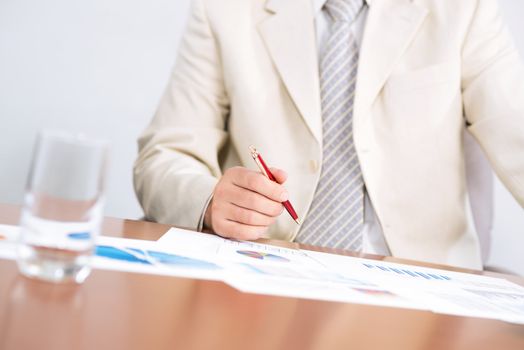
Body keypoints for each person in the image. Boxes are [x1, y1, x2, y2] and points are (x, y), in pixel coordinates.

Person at [134, 0, 524, 270]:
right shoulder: (227, 9)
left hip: (421, 290)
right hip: (264, 275)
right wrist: (211, 201)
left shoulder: (463, 9)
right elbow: (164, 155)